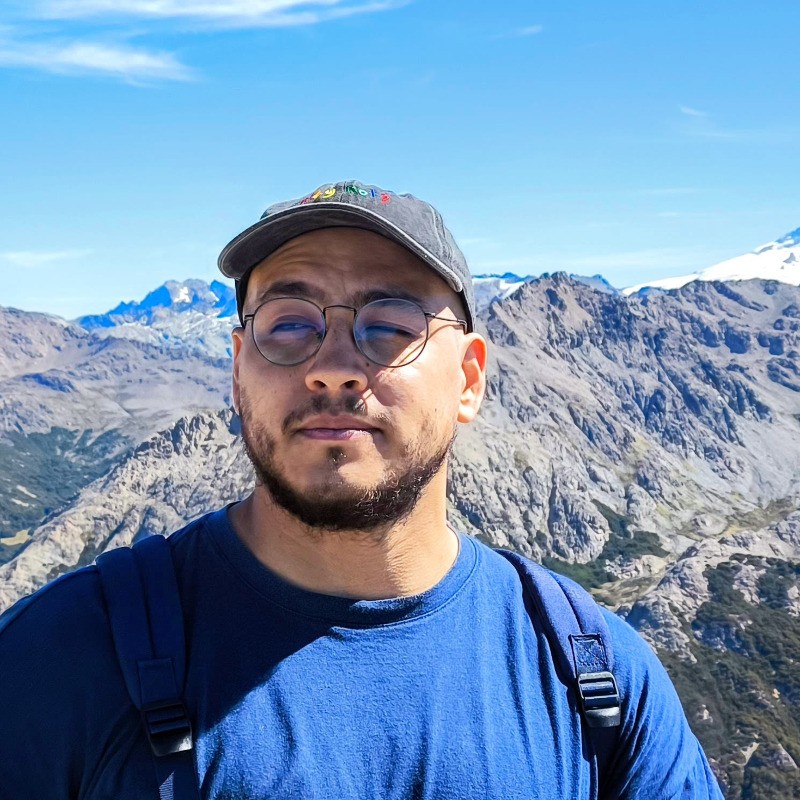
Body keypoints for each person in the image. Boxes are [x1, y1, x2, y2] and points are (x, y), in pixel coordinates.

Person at [0, 180, 722, 799]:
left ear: (469, 379)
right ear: (236, 366)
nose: (334, 367)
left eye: (388, 325)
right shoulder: (59, 658)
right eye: (288, 325)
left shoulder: (598, 673)